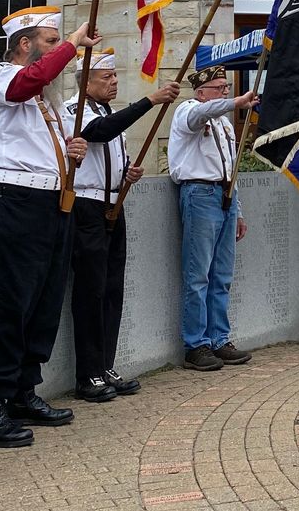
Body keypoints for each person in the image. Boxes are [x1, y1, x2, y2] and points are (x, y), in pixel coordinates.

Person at [0, 5, 99, 447]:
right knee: (14, 302)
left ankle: (24, 389)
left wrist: (72, 149)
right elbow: (27, 83)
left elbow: (49, 141)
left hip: (53, 199)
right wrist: (73, 44)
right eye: (49, 40)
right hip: (18, 199)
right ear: (24, 44)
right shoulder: (1, 75)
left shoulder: (47, 100)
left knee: (44, 301)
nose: (56, 49)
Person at [64, 47, 179, 402]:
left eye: (115, 77)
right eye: (106, 78)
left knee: (113, 288)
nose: (114, 82)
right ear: (86, 82)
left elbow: (112, 145)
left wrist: (127, 172)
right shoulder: (74, 110)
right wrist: (150, 100)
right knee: (90, 290)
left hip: (115, 202)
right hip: (86, 206)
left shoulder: (110, 112)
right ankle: (88, 373)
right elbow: (99, 132)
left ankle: (105, 364)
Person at [167, 64, 258, 371]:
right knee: (198, 276)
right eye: (219, 89)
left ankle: (219, 338)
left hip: (224, 195)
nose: (224, 93)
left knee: (221, 275)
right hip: (200, 194)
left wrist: (239, 210)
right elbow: (197, 118)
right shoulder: (188, 110)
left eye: (226, 89)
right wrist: (235, 104)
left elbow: (230, 168)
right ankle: (196, 344)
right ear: (201, 91)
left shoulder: (225, 124)